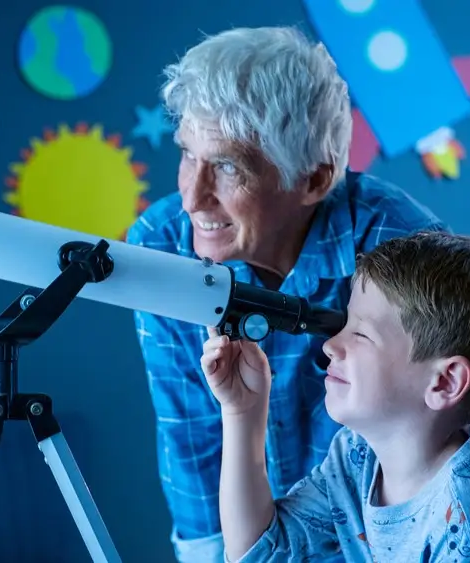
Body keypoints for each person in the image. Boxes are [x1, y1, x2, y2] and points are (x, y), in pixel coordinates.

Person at [125, 25, 449, 562]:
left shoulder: (405, 248)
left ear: (315, 181)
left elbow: (436, 451)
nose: (192, 197)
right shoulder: (162, 245)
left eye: (228, 166)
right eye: (188, 154)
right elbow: (191, 435)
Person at [201, 231, 470, 562]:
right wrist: (242, 412)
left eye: (361, 335)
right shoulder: (358, 457)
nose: (330, 345)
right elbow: (264, 555)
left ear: (444, 382)